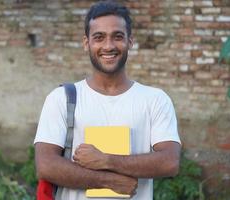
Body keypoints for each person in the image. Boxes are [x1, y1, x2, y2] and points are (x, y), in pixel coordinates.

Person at [34, 1, 181, 200]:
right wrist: (108, 181)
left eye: (117, 37)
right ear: (87, 43)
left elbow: (169, 162)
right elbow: (46, 165)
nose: (109, 46)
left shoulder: (155, 100)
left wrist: (106, 160)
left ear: (130, 41)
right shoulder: (61, 98)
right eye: (99, 37)